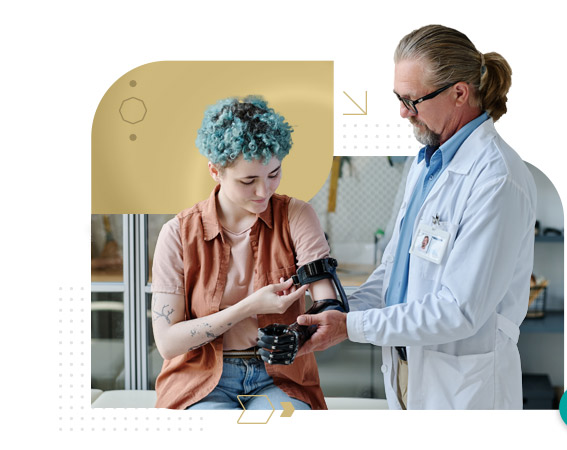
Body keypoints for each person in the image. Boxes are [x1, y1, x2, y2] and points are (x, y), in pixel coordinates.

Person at [296, 24, 537, 410]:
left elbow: (458, 309)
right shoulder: (425, 163)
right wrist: (338, 311)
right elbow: (394, 274)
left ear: (460, 93)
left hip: (461, 390)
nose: (404, 112)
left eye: (414, 100)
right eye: (399, 97)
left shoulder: (497, 178)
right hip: (408, 373)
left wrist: (352, 327)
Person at [151, 96, 336, 410]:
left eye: (273, 174)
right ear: (215, 171)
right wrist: (248, 307)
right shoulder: (178, 233)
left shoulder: (297, 216)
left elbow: (328, 303)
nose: (264, 192)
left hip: (278, 378)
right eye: (248, 180)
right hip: (200, 379)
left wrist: (300, 332)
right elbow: (168, 343)